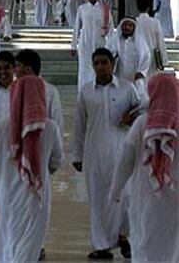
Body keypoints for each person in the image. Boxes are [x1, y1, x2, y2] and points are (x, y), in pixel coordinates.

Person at [0, 75, 63, 263]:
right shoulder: (50, 128)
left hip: (5, 197)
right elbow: (56, 162)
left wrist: (3, 171)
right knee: (27, 251)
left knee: (2, 245)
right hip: (36, 200)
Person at [72, 48, 140, 261]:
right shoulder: (86, 91)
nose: (100, 67)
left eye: (104, 63)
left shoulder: (127, 88)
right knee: (99, 200)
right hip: (95, 154)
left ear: (112, 64)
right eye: (97, 63)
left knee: (126, 197)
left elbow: (142, 111)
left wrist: (132, 117)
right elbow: (79, 125)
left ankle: (124, 237)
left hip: (123, 152)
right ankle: (102, 246)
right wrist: (77, 155)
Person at [110, 73, 179, 263]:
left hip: (145, 196)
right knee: (172, 248)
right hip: (175, 199)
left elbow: (126, 159)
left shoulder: (142, 123)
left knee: (143, 243)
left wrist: (115, 191)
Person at [71, 0, 114, 90]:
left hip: (100, 44)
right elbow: (76, 27)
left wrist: (110, 46)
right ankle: (83, 91)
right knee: (84, 70)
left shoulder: (104, 9)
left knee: (99, 69)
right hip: (85, 44)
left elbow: (111, 29)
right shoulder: (82, 9)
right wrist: (73, 45)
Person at [107, 18, 151, 94]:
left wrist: (141, 72)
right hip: (119, 75)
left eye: (130, 25)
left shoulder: (139, 41)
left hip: (134, 76)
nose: (127, 28)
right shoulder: (115, 40)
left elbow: (146, 55)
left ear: (134, 27)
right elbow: (108, 53)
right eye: (125, 25)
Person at [135, 0, 168, 75]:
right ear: (148, 8)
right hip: (152, 56)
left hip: (137, 55)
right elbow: (160, 42)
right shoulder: (154, 22)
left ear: (137, 7)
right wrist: (163, 60)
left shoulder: (134, 22)